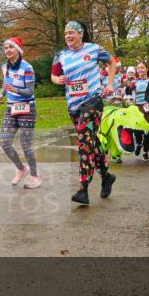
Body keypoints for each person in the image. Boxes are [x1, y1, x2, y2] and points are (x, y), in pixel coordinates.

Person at [51, 20, 117, 206]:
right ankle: (106, 176)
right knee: (91, 142)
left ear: (81, 34)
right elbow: (53, 75)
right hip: (73, 104)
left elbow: (112, 62)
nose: (68, 36)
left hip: (93, 101)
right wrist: (58, 80)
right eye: (66, 34)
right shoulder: (61, 55)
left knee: (83, 143)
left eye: (72, 32)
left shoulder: (94, 49)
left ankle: (83, 189)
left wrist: (110, 84)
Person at [0, 36, 41, 189]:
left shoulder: (27, 68)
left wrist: (15, 90)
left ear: (18, 50)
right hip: (11, 108)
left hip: (27, 108)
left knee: (25, 144)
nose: (8, 50)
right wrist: (2, 94)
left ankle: (35, 176)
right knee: (4, 142)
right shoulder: (5, 67)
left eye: (11, 47)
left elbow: (30, 91)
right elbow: (6, 82)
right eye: (6, 48)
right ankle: (22, 169)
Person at [133, 61, 149, 159]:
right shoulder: (134, 82)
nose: (140, 70)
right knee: (137, 130)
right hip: (137, 107)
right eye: (138, 68)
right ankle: (139, 143)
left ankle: (145, 152)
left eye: (142, 68)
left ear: (147, 69)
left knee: (147, 130)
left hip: (148, 107)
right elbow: (127, 91)